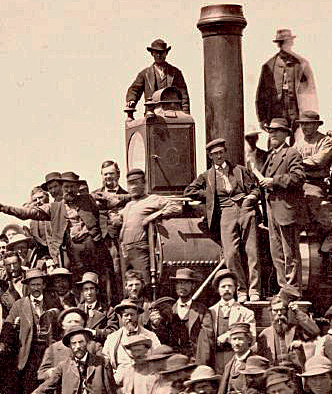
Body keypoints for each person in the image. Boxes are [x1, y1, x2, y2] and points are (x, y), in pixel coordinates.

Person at [184, 139, 262, 296]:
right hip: (226, 212)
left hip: (245, 209)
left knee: (252, 251)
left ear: (225, 152)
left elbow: (256, 188)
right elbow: (189, 191)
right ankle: (241, 290)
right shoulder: (206, 176)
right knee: (231, 254)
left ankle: (254, 290)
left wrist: (252, 197)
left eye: (221, 152)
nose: (219, 156)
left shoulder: (239, 170)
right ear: (210, 156)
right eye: (215, 154)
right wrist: (209, 195)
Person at [0, 173, 106, 281]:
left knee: (100, 278)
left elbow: (112, 201)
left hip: (93, 248)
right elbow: (28, 213)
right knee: (74, 280)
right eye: (66, 187)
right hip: (73, 252)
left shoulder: (89, 200)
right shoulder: (54, 208)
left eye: (72, 187)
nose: (69, 190)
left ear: (77, 188)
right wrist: (6, 209)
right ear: (62, 188)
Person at [253, 118, 306, 292]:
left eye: (277, 131)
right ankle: (285, 289)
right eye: (270, 131)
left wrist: (273, 181)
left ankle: (293, 289)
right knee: (277, 253)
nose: (273, 134)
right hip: (272, 211)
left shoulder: (292, 153)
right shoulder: (271, 155)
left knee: (289, 253)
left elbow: (298, 177)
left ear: (286, 134)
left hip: (286, 211)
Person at [7, 267, 55, 394]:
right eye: (32, 284)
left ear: (43, 285)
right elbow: (8, 329)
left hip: (48, 356)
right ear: (27, 286)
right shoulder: (19, 305)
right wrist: (15, 326)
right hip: (28, 359)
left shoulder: (52, 303)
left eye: (39, 284)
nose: (36, 287)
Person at [116, 168, 180, 286]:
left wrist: (154, 216)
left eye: (136, 183)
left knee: (144, 284)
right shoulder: (129, 204)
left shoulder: (153, 199)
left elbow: (176, 206)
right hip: (124, 250)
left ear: (144, 183)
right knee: (127, 286)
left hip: (140, 249)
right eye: (130, 184)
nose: (133, 187)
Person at [255, 29, 316, 134]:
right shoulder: (269, 66)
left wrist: (309, 116)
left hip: (296, 111)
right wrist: (262, 118)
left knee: (298, 140)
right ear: (279, 45)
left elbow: (310, 92)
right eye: (282, 43)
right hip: (276, 112)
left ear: (291, 43)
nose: (286, 45)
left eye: (288, 42)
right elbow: (261, 95)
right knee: (276, 142)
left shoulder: (302, 64)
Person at [125, 38, 190, 115]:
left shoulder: (176, 73)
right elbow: (134, 89)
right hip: (152, 116)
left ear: (166, 53)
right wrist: (131, 100)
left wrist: (186, 114)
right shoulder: (144, 74)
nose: (159, 55)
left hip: (173, 115)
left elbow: (184, 95)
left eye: (161, 52)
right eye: (156, 52)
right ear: (152, 53)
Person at [207, 272, 256, 373]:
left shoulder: (246, 313)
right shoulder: (210, 312)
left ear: (235, 288)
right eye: (223, 286)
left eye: (230, 286)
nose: (226, 289)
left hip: (237, 358)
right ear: (218, 289)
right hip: (216, 359)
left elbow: (252, 337)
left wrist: (228, 335)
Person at [294, 111, 332, 228]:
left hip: (316, 183)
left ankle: (330, 234)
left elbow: (318, 161)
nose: (304, 127)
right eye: (302, 124)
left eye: (308, 124)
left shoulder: (325, 141)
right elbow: (289, 159)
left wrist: (298, 163)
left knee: (312, 202)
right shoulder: (298, 143)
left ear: (316, 125)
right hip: (299, 182)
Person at [169, 268, 215, 366]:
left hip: (194, 362)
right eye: (179, 283)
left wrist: (201, 365)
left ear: (193, 286)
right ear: (175, 286)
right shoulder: (169, 311)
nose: (182, 286)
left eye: (186, 283)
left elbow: (207, 341)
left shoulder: (202, 311)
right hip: (174, 364)